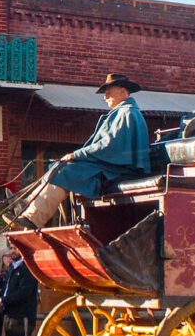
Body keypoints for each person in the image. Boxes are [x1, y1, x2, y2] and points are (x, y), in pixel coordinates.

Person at [8, 73, 151, 230]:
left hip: (118, 169)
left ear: (123, 91)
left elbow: (109, 145)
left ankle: (33, 217)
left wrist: (77, 155)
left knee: (65, 171)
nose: (105, 97)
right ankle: (26, 204)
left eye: (109, 92)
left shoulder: (127, 113)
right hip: (111, 165)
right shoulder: (122, 113)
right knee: (58, 166)